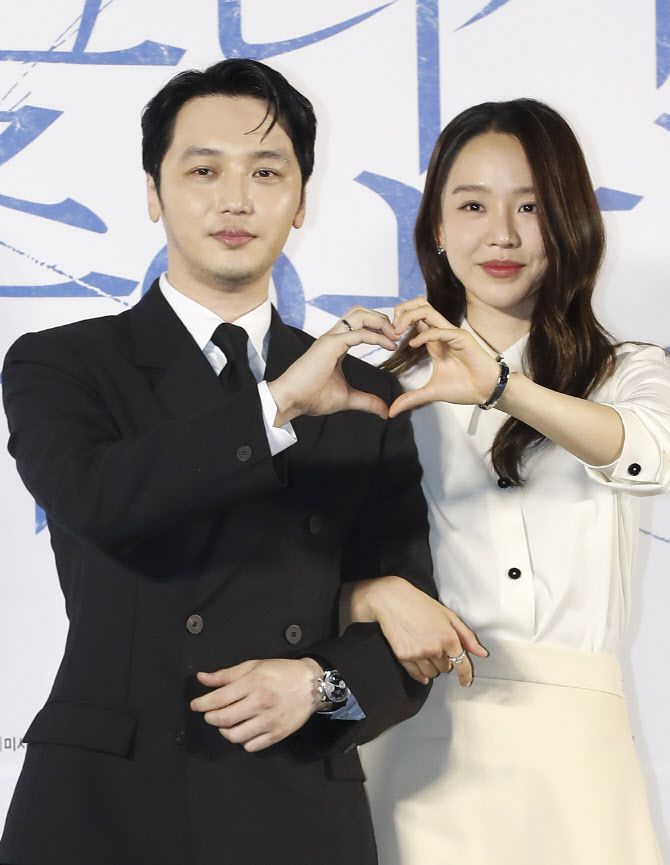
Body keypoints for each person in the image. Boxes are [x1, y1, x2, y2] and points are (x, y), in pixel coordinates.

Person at [0, 59, 435, 865]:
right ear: (153, 191)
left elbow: (410, 648)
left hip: (296, 806)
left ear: (301, 201)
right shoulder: (61, 363)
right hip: (105, 807)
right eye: (203, 170)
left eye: (266, 172)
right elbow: (99, 500)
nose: (235, 199)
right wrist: (280, 404)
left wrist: (320, 688)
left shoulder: (366, 392)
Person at [347, 99, 670, 864]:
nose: (502, 233)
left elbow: (649, 453)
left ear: (569, 221)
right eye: (472, 205)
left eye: (530, 206)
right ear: (435, 226)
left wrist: (501, 388)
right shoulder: (374, 391)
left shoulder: (626, 372)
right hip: (417, 741)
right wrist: (371, 595)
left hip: (579, 756)